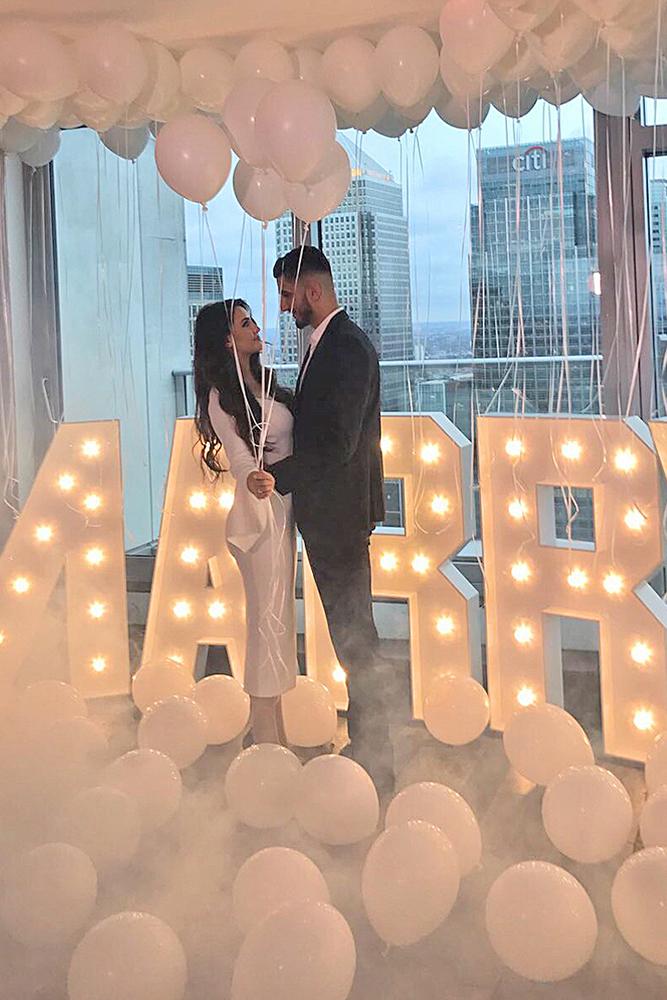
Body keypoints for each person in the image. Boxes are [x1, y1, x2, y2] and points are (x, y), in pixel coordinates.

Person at [249, 246, 396, 792]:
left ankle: (377, 758)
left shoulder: (347, 348)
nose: (286, 308)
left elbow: (335, 442)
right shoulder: (328, 344)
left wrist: (276, 474)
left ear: (312, 291)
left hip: (339, 516)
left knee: (357, 638)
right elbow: (317, 421)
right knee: (351, 634)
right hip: (330, 514)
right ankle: (371, 747)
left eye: (289, 295)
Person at [193, 298, 296, 745]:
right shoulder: (222, 394)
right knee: (267, 623)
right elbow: (237, 454)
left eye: (252, 318)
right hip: (260, 518)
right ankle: (268, 740)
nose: (256, 327)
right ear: (226, 339)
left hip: (284, 511)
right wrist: (251, 476)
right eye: (244, 322)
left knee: (279, 620)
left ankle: (275, 733)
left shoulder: (266, 382)